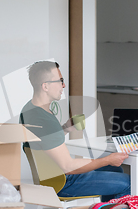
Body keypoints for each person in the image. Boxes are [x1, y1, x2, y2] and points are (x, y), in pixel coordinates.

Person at [20, 60, 130, 201]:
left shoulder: (30, 110)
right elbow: (69, 166)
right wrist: (107, 159)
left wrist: (65, 129)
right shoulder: (44, 120)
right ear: (45, 86)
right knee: (126, 182)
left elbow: (44, 141)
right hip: (63, 183)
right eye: (60, 81)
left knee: (115, 170)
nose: (63, 85)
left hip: (50, 177)